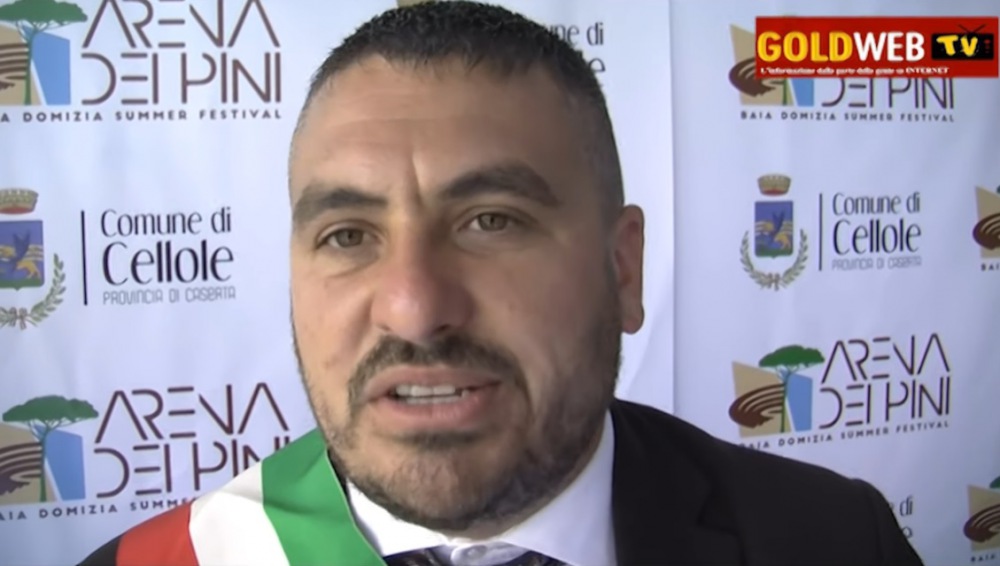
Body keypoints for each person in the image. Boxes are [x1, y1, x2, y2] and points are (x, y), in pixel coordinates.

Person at [79, 2, 925, 565]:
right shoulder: (165, 563)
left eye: (491, 221)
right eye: (348, 236)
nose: (415, 308)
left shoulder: (836, 542)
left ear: (623, 268)